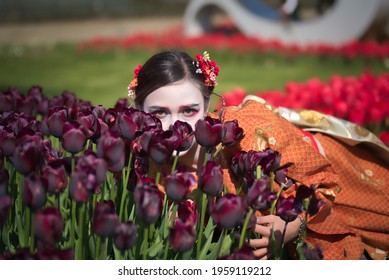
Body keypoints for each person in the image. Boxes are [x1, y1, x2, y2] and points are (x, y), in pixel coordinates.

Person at [127, 50, 389, 260]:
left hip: (344, 189)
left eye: (189, 110)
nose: (175, 125)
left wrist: (294, 226)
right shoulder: (143, 167)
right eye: (159, 112)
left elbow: (322, 183)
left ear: (207, 105)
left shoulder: (245, 133)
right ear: (139, 110)